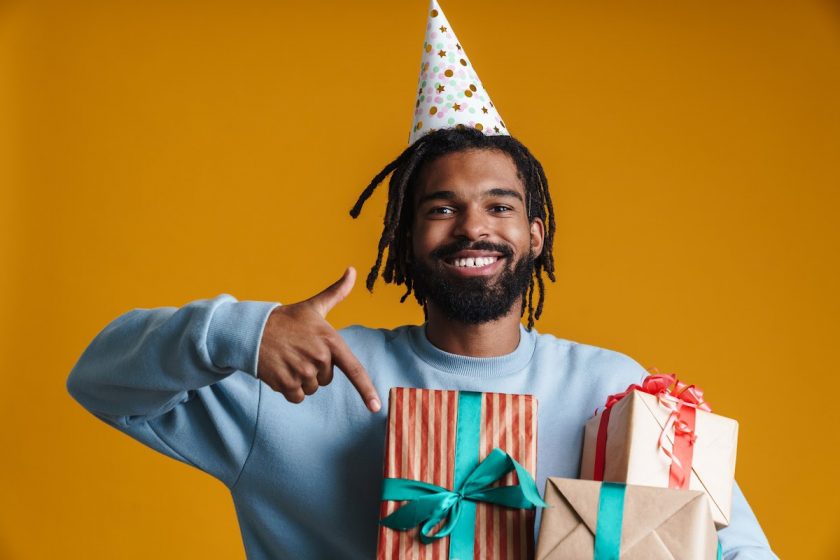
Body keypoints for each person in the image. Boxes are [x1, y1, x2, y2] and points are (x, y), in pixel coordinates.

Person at [67, 2, 777, 558]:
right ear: (404, 244)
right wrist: (240, 332)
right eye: (442, 208)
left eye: (500, 206)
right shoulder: (300, 380)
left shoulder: (611, 392)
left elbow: (737, 546)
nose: (475, 227)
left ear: (536, 235)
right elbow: (97, 379)